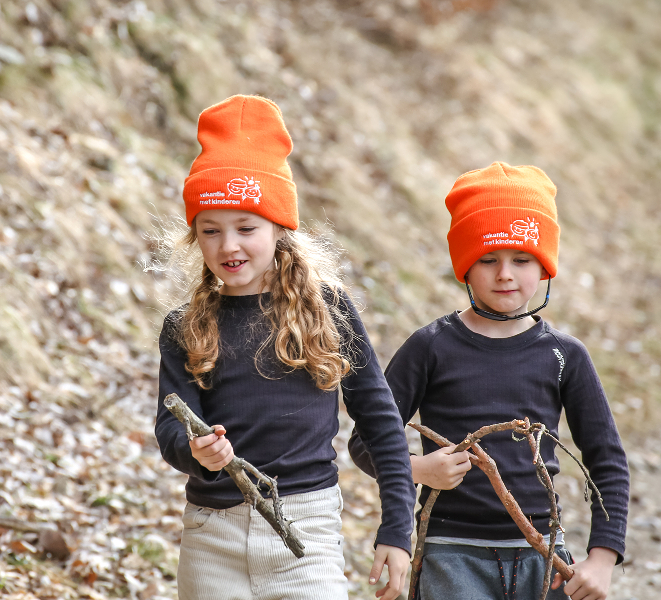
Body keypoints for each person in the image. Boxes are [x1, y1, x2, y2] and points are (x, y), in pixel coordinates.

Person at [154, 95, 416, 600]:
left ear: (279, 229)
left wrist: (396, 530)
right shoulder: (183, 327)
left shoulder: (328, 311)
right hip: (212, 535)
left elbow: (382, 423)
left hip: (307, 530)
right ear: (195, 238)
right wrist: (196, 452)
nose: (229, 246)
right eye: (211, 231)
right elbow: (170, 426)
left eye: (247, 228)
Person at [349, 162, 629, 600]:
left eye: (522, 260)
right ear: (464, 265)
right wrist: (418, 469)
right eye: (488, 259)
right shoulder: (430, 347)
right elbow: (364, 442)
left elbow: (606, 460)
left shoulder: (564, 355)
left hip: (543, 553)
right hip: (449, 554)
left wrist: (603, 556)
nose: (505, 274)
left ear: (544, 267)